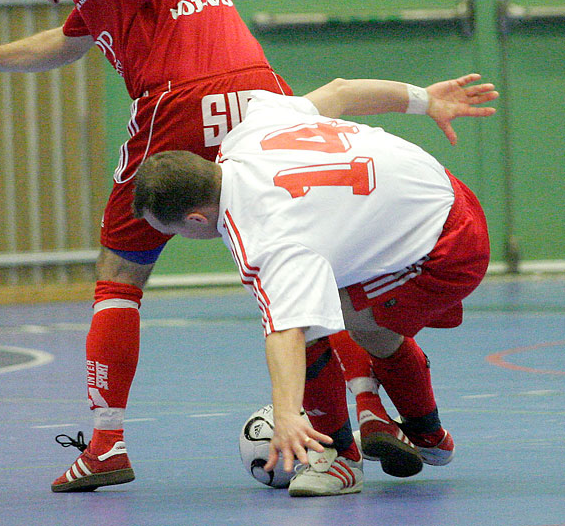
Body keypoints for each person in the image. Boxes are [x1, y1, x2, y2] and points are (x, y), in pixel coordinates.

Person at [0, 0, 303, 493]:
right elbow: (66, 43)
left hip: (180, 100)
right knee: (305, 261)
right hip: (264, 96)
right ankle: (373, 416)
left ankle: (105, 445)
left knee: (118, 276)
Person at [133, 74, 496, 497]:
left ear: (196, 219)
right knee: (341, 305)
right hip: (436, 190)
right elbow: (341, 91)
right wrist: (424, 98)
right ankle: (422, 434)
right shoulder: (251, 129)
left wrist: (288, 415)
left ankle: (340, 458)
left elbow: (288, 332)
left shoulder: (263, 235)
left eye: (170, 231)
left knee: (327, 320)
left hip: (448, 244)